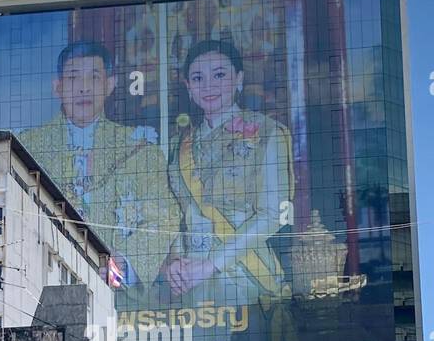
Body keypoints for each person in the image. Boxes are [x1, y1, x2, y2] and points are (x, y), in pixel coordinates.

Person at [18, 40, 178, 292]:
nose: (83, 88)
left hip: (121, 299)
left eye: (94, 77)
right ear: (57, 87)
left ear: (109, 85)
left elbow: (164, 216)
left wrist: (123, 263)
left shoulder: (139, 149)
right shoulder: (27, 148)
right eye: (73, 78)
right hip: (44, 283)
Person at [164, 38, 294, 300]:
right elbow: (173, 212)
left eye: (219, 75)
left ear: (238, 79)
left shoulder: (268, 133)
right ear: (188, 87)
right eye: (198, 78)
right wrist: (175, 260)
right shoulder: (178, 145)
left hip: (245, 275)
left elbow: (272, 214)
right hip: (189, 280)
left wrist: (212, 264)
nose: (208, 86)